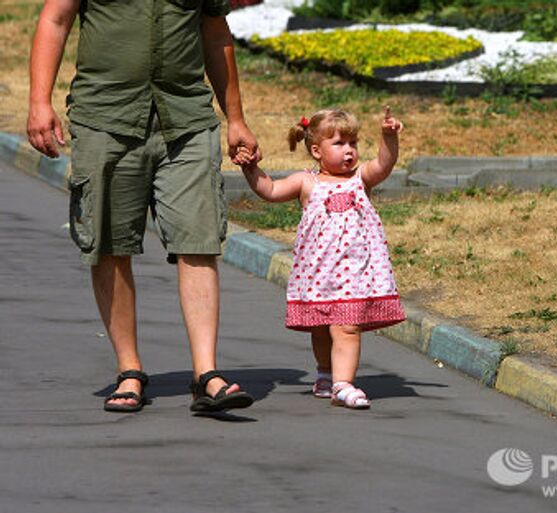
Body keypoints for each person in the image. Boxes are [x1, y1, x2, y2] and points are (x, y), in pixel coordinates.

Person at [26, 0, 259, 413]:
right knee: (111, 244)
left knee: (199, 238)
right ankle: (129, 370)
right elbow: (55, 18)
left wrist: (235, 118)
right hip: (105, 117)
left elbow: (215, 32)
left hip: (186, 117)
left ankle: (206, 373)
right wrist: (39, 101)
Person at [240, 107, 406, 409]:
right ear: (316, 150)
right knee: (321, 327)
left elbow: (384, 163)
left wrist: (388, 137)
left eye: (352, 144)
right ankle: (326, 373)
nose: (349, 151)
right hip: (319, 274)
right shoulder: (306, 182)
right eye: (339, 144)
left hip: (355, 272)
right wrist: (250, 168)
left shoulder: (360, 178)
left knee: (347, 325)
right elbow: (271, 189)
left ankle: (344, 385)